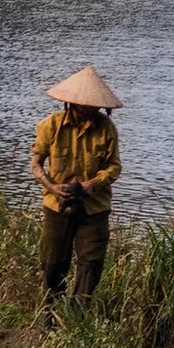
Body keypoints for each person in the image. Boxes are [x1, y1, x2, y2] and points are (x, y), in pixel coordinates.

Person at [32, 66, 122, 303]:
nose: (90, 110)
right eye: (85, 106)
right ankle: (51, 313)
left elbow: (114, 167)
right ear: (72, 103)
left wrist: (94, 183)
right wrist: (52, 187)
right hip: (57, 204)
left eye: (94, 106)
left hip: (94, 206)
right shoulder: (50, 126)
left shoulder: (106, 128)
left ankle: (77, 317)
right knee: (52, 264)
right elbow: (36, 165)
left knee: (91, 264)